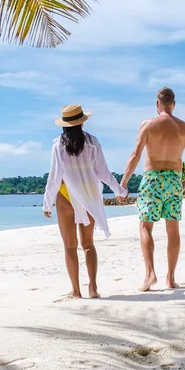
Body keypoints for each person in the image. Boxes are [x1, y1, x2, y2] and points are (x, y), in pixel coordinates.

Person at [119, 88, 185, 291]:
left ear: (157, 104)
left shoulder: (148, 125)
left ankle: (150, 275)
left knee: (145, 227)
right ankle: (171, 278)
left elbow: (135, 155)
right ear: (173, 104)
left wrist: (123, 183)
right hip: (174, 180)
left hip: (153, 179)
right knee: (173, 231)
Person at [43, 104, 128, 299]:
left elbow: (54, 176)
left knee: (69, 245)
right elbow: (103, 172)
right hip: (89, 195)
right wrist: (119, 190)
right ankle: (93, 288)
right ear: (81, 123)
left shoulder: (58, 144)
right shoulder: (93, 142)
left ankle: (76, 291)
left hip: (65, 196)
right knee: (88, 244)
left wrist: (47, 203)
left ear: (64, 125)